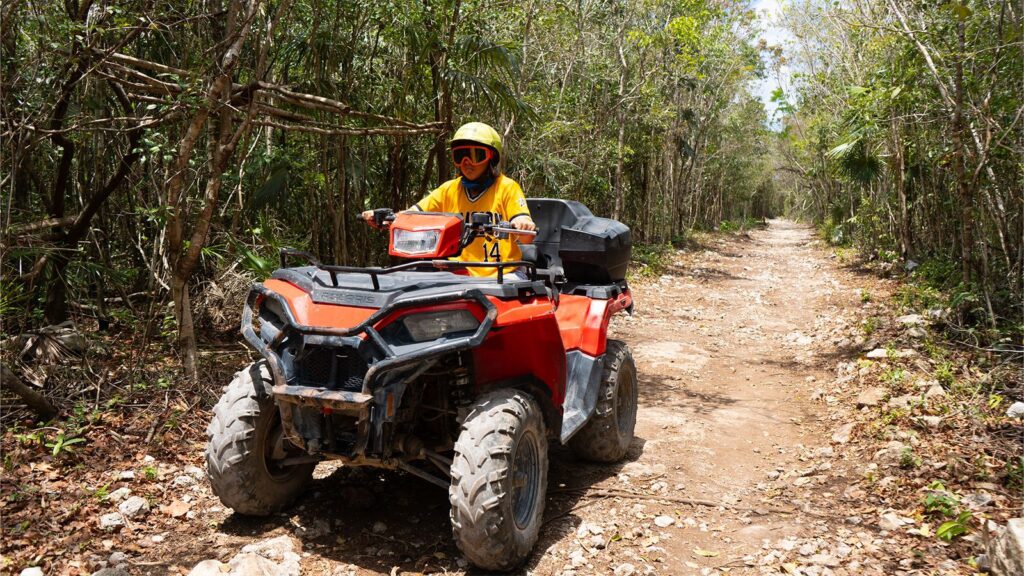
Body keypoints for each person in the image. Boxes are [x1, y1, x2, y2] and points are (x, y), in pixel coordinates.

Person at [362, 122, 537, 279]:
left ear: (491, 157)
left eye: (475, 156)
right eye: (461, 156)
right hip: (459, 275)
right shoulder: (449, 189)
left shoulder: (507, 187)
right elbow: (411, 215)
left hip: (503, 273)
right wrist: (386, 218)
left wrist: (522, 224)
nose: (467, 163)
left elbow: (524, 229)